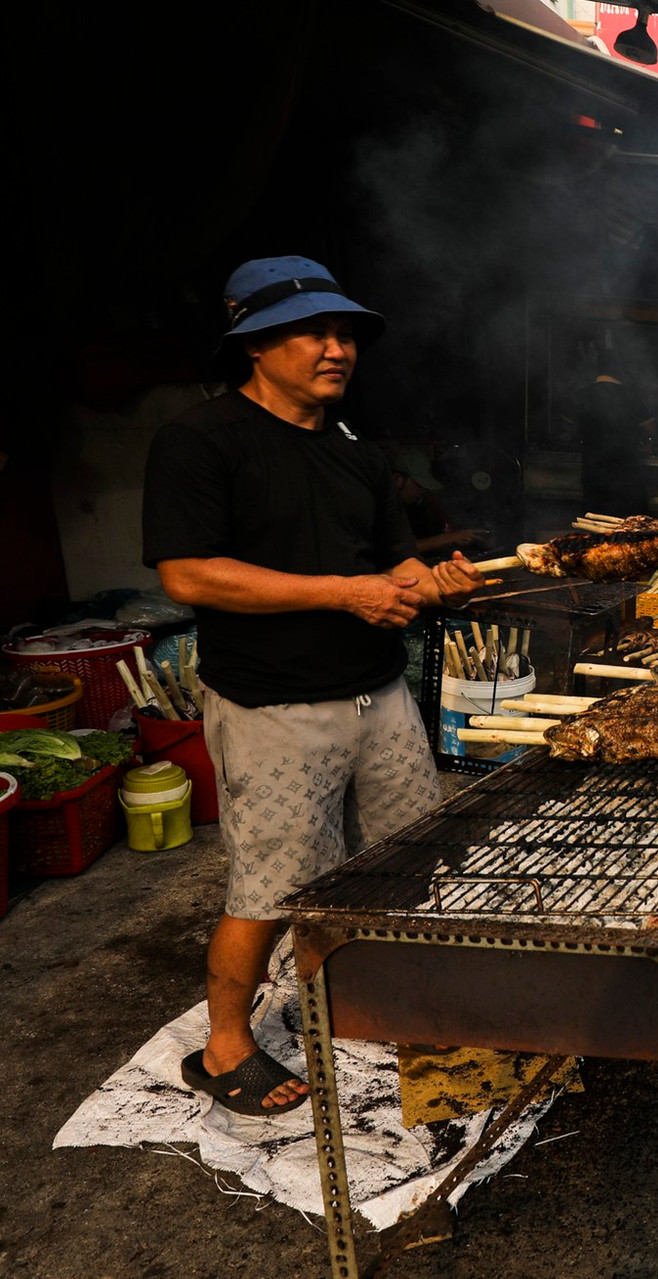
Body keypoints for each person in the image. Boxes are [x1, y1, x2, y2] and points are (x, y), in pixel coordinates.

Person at [143, 255, 485, 1116]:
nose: (338, 349)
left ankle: (375, 997)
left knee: (404, 861)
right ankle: (224, 1043)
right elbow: (188, 575)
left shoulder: (357, 454)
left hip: (380, 694)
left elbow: (391, 562)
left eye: (346, 335)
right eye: (316, 332)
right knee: (274, 883)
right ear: (255, 342)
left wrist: (428, 580)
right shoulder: (200, 439)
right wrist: (343, 592)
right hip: (273, 704)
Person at [576, 349, 656, 518]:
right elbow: (650, 429)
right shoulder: (632, 397)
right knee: (627, 528)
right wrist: (646, 443)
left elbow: (566, 428)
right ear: (619, 369)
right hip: (626, 476)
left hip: (593, 475)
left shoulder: (582, 395)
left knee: (595, 527)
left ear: (598, 368)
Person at [390, 445, 488, 557]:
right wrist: (448, 538)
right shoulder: (380, 510)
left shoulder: (413, 506)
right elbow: (393, 550)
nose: (422, 491)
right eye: (418, 485)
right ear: (397, 479)